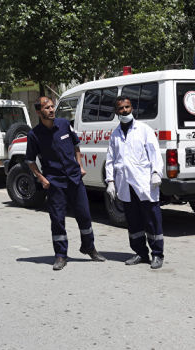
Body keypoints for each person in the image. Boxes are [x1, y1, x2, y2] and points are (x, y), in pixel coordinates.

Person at [25, 96, 105, 270]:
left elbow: (76, 145)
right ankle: (61, 255)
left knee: (84, 215)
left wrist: (80, 165)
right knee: (58, 219)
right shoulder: (34, 135)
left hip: (74, 179)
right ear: (39, 112)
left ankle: (89, 247)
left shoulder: (64, 124)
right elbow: (30, 161)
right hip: (55, 183)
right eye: (47, 108)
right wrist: (42, 178)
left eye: (53, 107)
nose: (52, 110)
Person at [105, 95, 165, 269]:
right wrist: (110, 181)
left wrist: (156, 173)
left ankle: (157, 254)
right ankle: (140, 252)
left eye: (127, 107)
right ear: (116, 112)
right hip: (125, 185)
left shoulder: (144, 130)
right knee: (133, 221)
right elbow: (111, 159)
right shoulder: (115, 135)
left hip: (145, 184)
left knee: (152, 219)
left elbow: (155, 153)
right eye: (121, 108)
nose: (125, 111)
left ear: (132, 108)